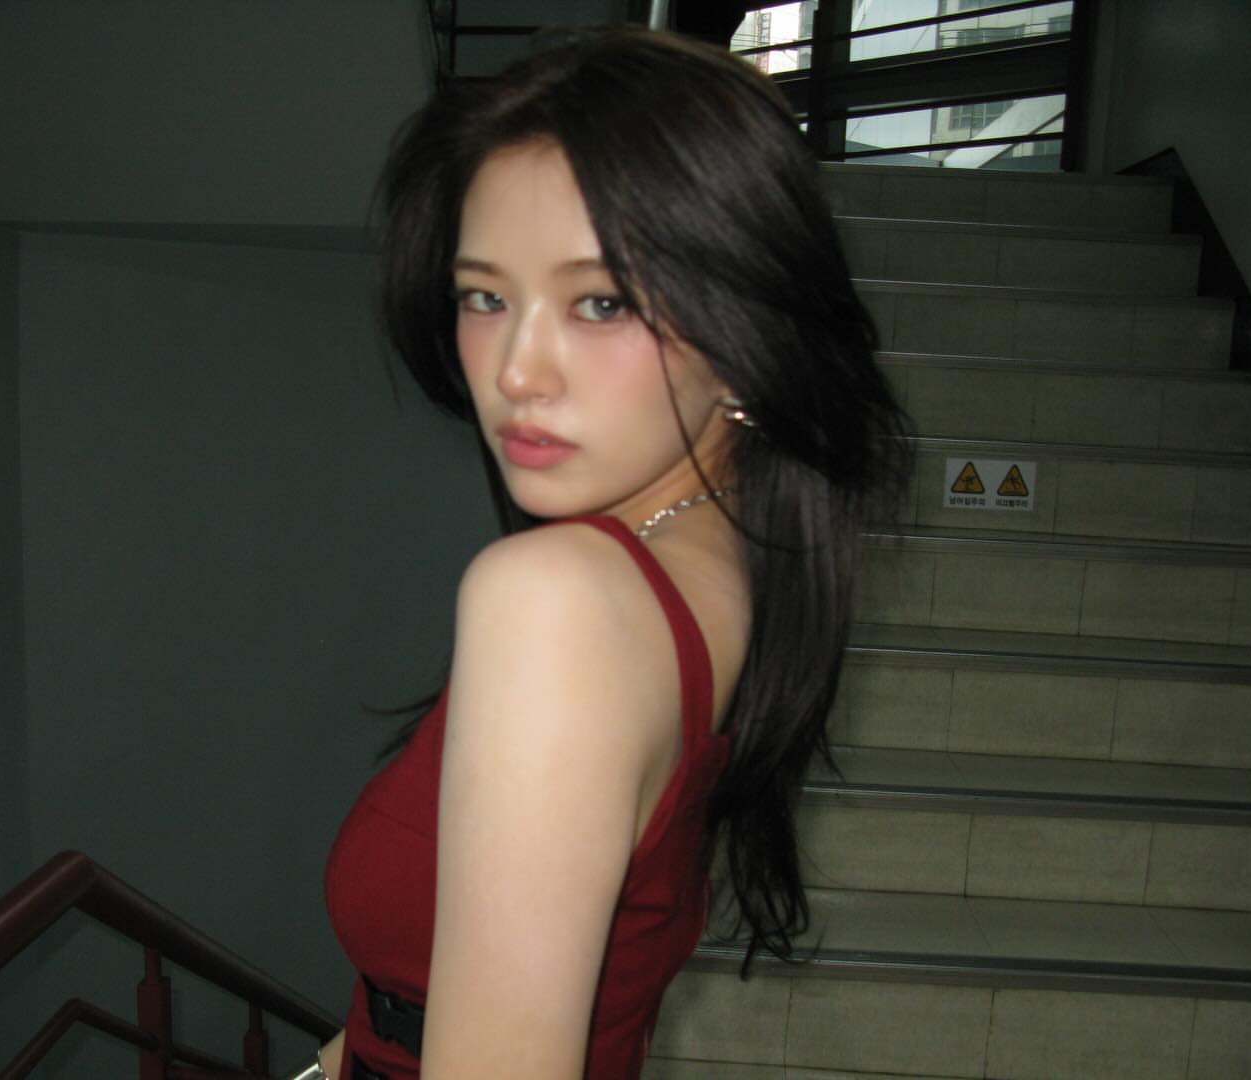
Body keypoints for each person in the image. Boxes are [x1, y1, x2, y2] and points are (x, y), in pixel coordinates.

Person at [312, 26, 907, 1080]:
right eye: (485, 296)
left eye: (602, 303)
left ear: (746, 329)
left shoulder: (560, 599)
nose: (517, 372)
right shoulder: (725, 548)